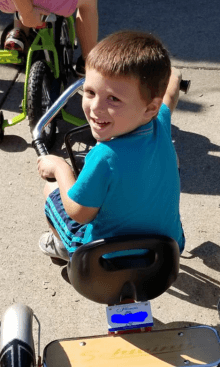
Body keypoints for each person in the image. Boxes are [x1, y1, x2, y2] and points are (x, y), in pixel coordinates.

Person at [37, 30, 185, 262]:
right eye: (90, 92)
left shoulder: (104, 156)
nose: (96, 107)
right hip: (165, 252)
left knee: (51, 191)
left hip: (104, 262)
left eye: (113, 99)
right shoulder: (160, 122)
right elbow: (170, 96)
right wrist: (173, 76)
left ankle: (64, 248)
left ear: (149, 108)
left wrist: (60, 168)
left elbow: (78, 213)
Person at [0, 0, 98, 74]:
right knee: (88, 2)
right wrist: (28, 13)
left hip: (6, 2)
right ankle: (88, 62)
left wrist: (26, 12)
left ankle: (19, 33)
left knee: (23, 5)